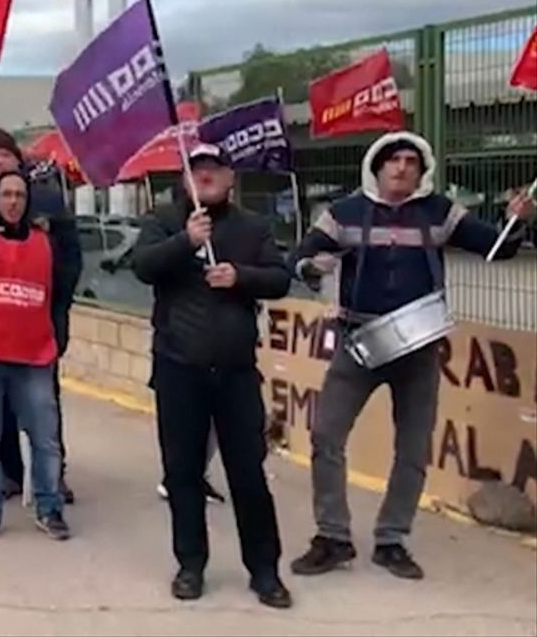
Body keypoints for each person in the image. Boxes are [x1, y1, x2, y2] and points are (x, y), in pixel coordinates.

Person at [289, 132, 534, 581]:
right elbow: (301, 259)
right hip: (357, 340)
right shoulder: (343, 213)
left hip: (419, 346)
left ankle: (392, 540)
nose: (402, 168)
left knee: (413, 447)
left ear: (422, 171)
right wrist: (311, 268)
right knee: (326, 435)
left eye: (411, 162)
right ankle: (333, 537)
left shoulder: (440, 212)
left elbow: (499, 249)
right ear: (376, 167)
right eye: (393, 161)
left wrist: (514, 221)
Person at [132, 143, 293, 609]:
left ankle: (264, 571)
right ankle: (191, 565)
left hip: (237, 372)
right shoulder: (163, 220)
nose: (205, 176)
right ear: (185, 178)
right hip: (178, 367)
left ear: (230, 179)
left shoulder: (251, 226)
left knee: (248, 474)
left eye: (214, 170)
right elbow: (143, 267)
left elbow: (280, 278)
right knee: (182, 473)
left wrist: (240, 276)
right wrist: (186, 240)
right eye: (196, 169)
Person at [0, 127, 83, 503]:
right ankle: (10, 472)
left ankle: (53, 477)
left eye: (5, 156)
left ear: (17, 160)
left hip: (38, 325)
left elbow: (69, 258)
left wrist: (57, 308)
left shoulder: (46, 200)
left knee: (44, 407)